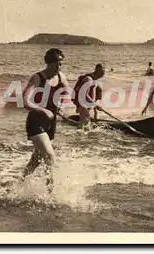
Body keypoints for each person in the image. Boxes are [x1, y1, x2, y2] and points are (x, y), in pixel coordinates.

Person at [21, 48, 70, 192]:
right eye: (57, 64)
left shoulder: (61, 77)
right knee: (50, 156)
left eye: (61, 64)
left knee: (35, 161)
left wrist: (61, 106)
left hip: (51, 124)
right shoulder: (37, 78)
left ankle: (18, 186)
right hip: (35, 122)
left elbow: (67, 93)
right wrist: (43, 109)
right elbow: (25, 101)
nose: (59, 67)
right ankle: (50, 194)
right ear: (49, 63)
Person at [72, 63, 105, 128]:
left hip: (86, 104)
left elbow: (95, 97)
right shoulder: (88, 79)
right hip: (81, 102)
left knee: (99, 89)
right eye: (102, 71)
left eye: (104, 71)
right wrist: (95, 104)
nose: (104, 72)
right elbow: (84, 94)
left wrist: (96, 114)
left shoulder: (95, 81)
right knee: (85, 125)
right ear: (97, 70)